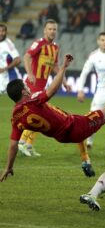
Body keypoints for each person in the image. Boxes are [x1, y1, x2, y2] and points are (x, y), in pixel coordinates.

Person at [0, 54, 105, 182]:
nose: (28, 86)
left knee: (80, 121)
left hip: (63, 135)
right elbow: (52, 90)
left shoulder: (16, 118)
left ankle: (92, 158)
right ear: (24, 92)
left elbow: (13, 145)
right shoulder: (34, 102)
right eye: (26, 86)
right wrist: (63, 68)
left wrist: (9, 166)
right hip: (75, 126)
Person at [18, 19, 70, 159]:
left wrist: (64, 81)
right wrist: (30, 73)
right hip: (32, 85)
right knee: (38, 114)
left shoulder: (55, 47)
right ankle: (22, 142)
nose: (52, 31)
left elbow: (55, 66)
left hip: (42, 87)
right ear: (44, 30)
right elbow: (27, 56)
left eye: (54, 29)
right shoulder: (39, 43)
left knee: (41, 116)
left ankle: (27, 144)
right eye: (50, 29)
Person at [0, 24, 21, 94]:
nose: (1, 33)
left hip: (9, 76)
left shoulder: (8, 43)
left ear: (6, 32)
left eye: (3, 31)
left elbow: (18, 60)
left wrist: (5, 69)